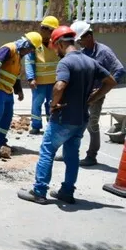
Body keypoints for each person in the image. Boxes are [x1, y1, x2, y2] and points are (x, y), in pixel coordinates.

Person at [19, 26, 116, 204]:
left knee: (47, 151)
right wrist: (91, 99)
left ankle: (39, 191)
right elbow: (111, 81)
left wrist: (54, 104)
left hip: (63, 118)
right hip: (81, 119)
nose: (55, 52)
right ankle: (67, 191)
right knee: (72, 155)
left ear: (60, 44)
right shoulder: (90, 61)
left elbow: (59, 86)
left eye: (55, 48)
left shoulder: (65, 63)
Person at [69, 20, 126, 166]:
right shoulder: (82, 53)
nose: (79, 43)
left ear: (89, 36)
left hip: (96, 95)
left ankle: (91, 156)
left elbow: (120, 70)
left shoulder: (104, 52)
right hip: (82, 93)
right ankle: (69, 153)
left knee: (92, 124)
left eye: (80, 39)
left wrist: (103, 88)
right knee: (75, 122)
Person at [0, 32, 42, 153]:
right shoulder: (9, 48)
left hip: (6, 89)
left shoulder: (18, 58)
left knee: (7, 115)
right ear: (25, 44)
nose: (30, 52)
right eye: (30, 49)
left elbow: (15, 77)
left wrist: (19, 91)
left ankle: (0, 141)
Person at [23, 16, 60, 135]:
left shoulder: (56, 44)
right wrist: (31, 78)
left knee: (51, 103)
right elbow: (29, 62)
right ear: (44, 29)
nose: (52, 33)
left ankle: (51, 124)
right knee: (36, 104)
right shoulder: (35, 44)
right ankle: (36, 125)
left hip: (54, 81)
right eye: (51, 30)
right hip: (39, 82)